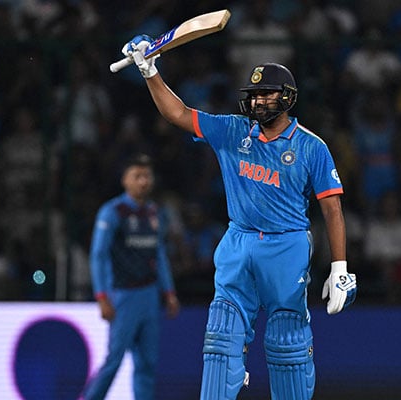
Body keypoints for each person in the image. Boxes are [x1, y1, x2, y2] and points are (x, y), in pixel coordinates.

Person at [119, 35, 357, 400]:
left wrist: (339, 267)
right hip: (238, 239)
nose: (259, 101)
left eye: (268, 95)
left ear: (288, 98)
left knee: (286, 337)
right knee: (222, 333)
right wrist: (150, 71)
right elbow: (178, 113)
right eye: (256, 95)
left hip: (286, 244)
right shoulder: (233, 130)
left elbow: (332, 208)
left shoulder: (311, 147)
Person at [83, 153, 180, 400]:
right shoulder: (113, 212)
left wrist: (168, 292)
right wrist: (102, 296)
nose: (143, 181)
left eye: (147, 176)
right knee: (114, 360)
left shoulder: (155, 213)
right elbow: (98, 255)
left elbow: (158, 254)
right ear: (125, 180)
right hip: (123, 294)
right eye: (137, 176)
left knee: (147, 363)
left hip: (149, 295)